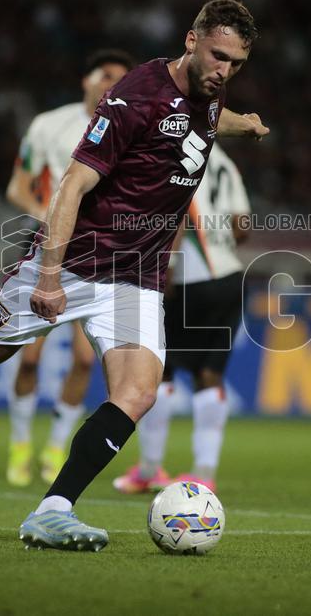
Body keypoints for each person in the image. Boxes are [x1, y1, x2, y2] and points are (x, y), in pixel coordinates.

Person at [0, 0, 267, 550]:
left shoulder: (211, 93)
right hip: (76, 263)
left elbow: (209, 120)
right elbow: (70, 186)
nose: (224, 72)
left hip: (137, 276)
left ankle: (54, 508)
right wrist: (47, 277)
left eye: (236, 64)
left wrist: (244, 125)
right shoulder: (135, 100)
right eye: (217, 57)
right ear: (191, 40)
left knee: (138, 393)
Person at [3, 49, 134, 487]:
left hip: (97, 249)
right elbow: (17, 186)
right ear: (87, 79)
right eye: (106, 76)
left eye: (121, 79)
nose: (111, 85)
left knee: (83, 359)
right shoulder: (47, 125)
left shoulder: (128, 125)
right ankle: (20, 443)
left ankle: (56, 445)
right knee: (29, 358)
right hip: (45, 242)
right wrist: (49, 212)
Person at [113, 142, 250, 494]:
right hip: (231, 277)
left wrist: (168, 266)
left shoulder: (181, 152)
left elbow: (176, 212)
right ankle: (204, 472)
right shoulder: (225, 160)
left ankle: (149, 468)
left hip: (188, 279)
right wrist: (217, 240)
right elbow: (243, 226)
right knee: (210, 373)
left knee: (161, 370)